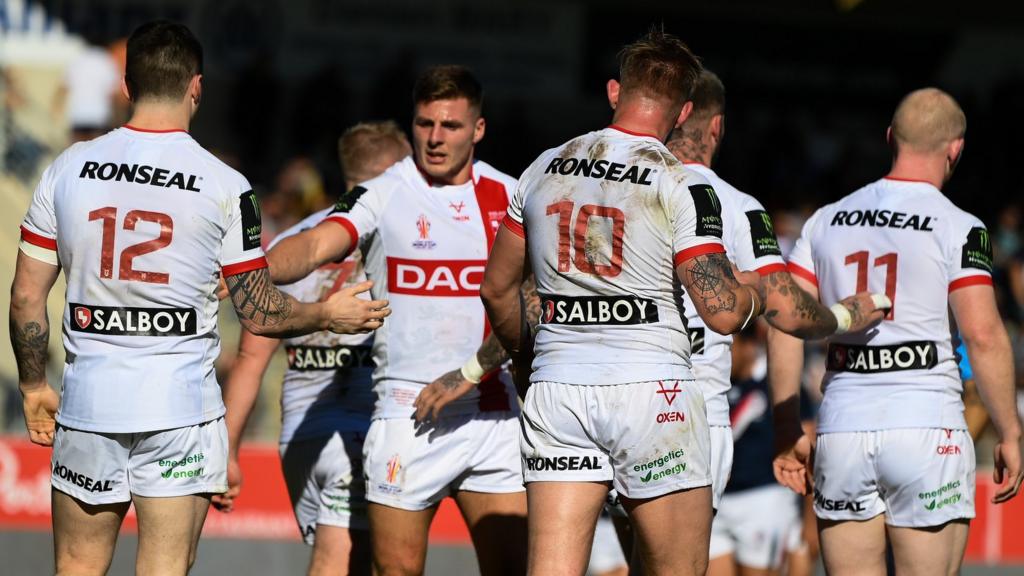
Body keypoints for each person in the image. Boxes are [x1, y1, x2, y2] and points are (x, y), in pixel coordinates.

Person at [480, 30, 885, 576]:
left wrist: (528, 364)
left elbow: (499, 290)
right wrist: (794, 302)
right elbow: (728, 309)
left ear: (612, 92)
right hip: (659, 399)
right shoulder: (693, 189)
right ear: (689, 112)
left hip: (561, 391)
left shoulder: (544, 166)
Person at [9, 21, 388, 576]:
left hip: (91, 403)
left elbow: (25, 299)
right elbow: (258, 309)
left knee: (77, 567)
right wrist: (326, 312)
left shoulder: (66, 169)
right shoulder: (225, 183)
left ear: (127, 85)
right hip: (180, 411)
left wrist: (33, 383)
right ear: (197, 88)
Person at [266, 66, 528, 576]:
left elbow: (535, 302)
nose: (434, 138)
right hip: (407, 414)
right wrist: (257, 267)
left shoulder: (511, 195)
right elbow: (319, 242)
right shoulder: (384, 191)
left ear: (478, 129)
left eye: (450, 126)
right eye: (424, 123)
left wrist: (471, 372)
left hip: (492, 412)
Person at [769, 88, 1024, 576]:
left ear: (890, 138)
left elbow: (785, 322)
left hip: (843, 426)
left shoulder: (825, 220)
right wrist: (1010, 431)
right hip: (927, 427)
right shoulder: (959, 226)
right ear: (956, 150)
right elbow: (984, 335)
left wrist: (786, 428)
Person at [665, 68, 886, 517]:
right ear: (716, 126)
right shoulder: (739, 207)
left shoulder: (606, 184)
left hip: (592, 395)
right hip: (686, 413)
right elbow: (785, 308)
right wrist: (843, 317)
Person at [211, 121, 412, 576]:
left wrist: (227, 451)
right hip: (362, 428)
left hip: (301, 433)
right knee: (338, 562)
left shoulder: (292, 243)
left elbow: (250, 359)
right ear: (393, 173)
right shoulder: (405, 239)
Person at [707, 326, 808, 576]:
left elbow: (806, 440)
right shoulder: (712, 384)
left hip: (764, 499)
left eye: (727, 346)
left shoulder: (778, 380)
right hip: (715, 500)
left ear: (748, 344)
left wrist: (810, 516)